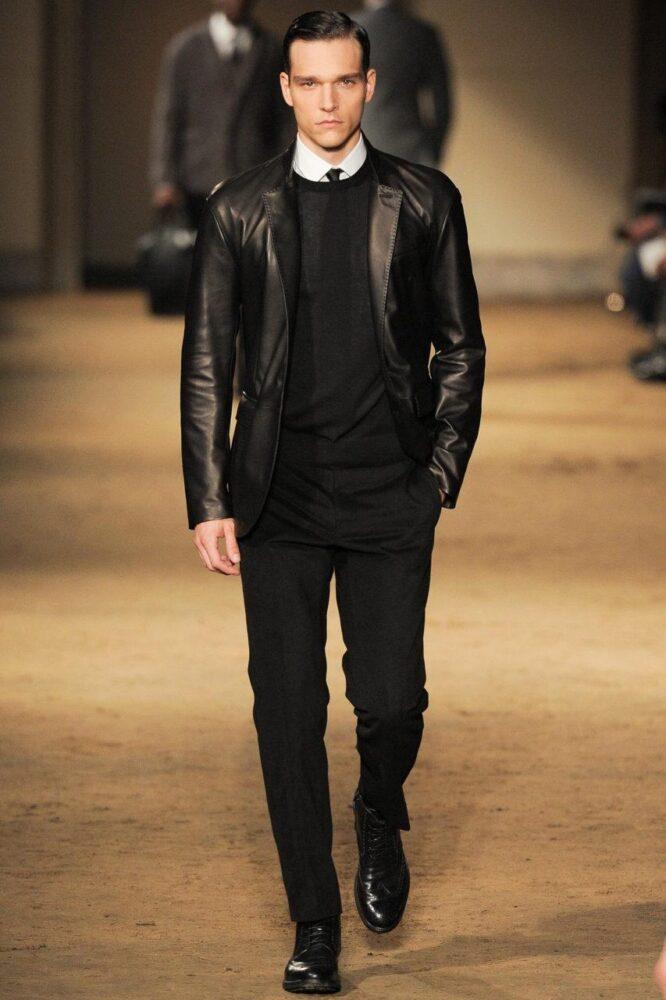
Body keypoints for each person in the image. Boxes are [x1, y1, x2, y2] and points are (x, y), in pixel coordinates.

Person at [180, 10, 485, 993]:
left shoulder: (425, 200)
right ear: (285, 89)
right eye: (308, 82)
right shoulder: (238, 210)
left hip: (391, 492)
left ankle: (378, 805)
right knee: (287, 713)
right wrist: (209, 497)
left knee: (392, 703)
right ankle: (314, 923)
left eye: (343, 81)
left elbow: (461, 345)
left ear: (369, 85)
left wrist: (439, 474)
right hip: (279, 498)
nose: (326, 100)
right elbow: (207, 363)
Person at [149, 0, 293, 230]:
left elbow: (283, 119)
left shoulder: (270, 49)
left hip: (253, 177)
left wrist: (285, 174)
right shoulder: (186, 49)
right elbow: (169, 117)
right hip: (198, 180)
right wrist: (164, 180)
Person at [351, 0, 453, 166]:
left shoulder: (346, 31)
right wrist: (433, 151)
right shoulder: (423, 33)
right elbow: (442, 103)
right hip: (410, 149)